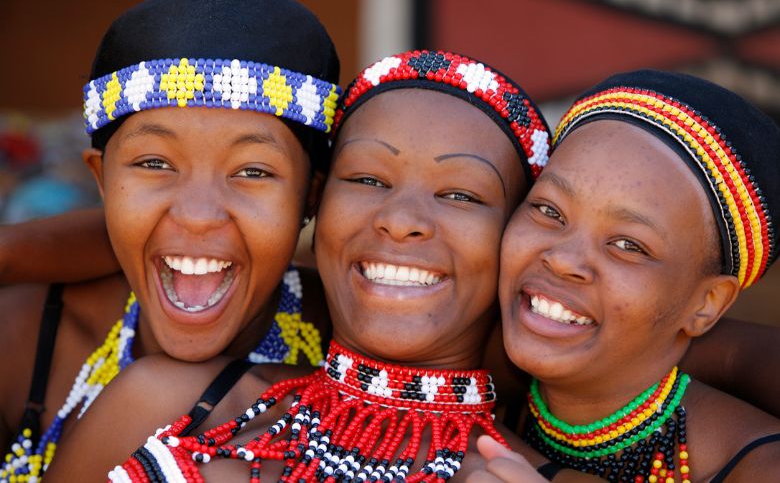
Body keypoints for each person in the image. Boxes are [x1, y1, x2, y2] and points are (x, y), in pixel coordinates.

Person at [46, 50, 603, 482]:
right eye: (366, 180)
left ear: (516, 239)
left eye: (461, 195)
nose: (401, 220)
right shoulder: (167, 405)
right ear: (315, 206)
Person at [0, 0, 339, 480]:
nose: (198, 215)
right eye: (155, 162)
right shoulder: (24, 339)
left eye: (253, 171)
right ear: (101, 180)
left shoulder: (350, 347)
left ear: (310, 198)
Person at [477, 70, 780, 482]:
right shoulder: (474, 387)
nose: (564, 260)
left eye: (629, 245)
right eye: (549, 211)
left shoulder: (755, 467)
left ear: (706, 304)